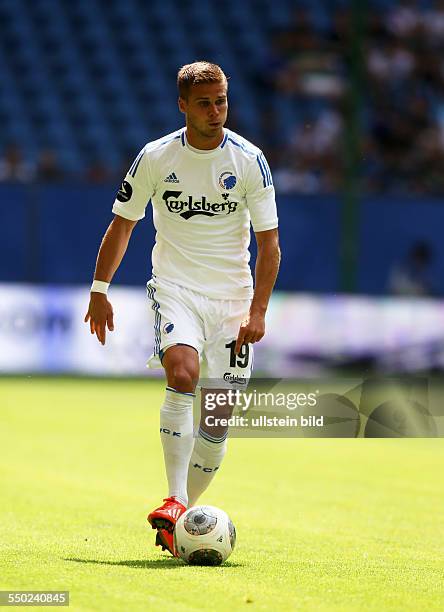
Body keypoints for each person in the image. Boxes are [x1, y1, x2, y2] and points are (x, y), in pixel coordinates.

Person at [84, 61, 280, 556]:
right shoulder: (155, 157)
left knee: (215, 423)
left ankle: (179, 518)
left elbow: (270, 245)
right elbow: (123, 224)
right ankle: (174, 498)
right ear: (182, 106)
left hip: (232, 301)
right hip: (177, 289)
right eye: (205, 103)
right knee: (182, 371)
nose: (216, 112)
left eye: (222, 101)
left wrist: (257, 313)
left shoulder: (249, 161)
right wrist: (99, 288)